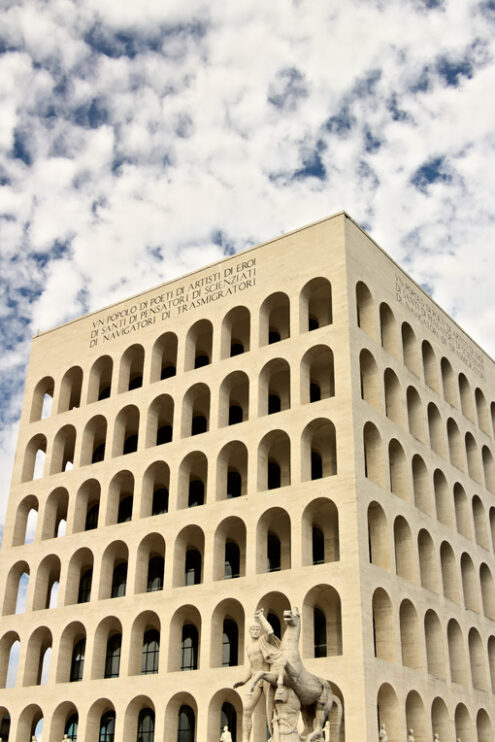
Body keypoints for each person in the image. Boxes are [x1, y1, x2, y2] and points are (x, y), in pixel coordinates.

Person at [234, 609, 280, 742]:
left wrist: (261, 618)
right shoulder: (248, 647)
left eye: (257, 629)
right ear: (249, 631)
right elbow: (251, 666)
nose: (255, 631)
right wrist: (243, 680)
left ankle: (275, 737)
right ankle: (245, 739)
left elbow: (270, 631)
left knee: (270, 709)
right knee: (247, 710)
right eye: (253, 629)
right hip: (255, 679)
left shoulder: (263, 641)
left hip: (265, 678)